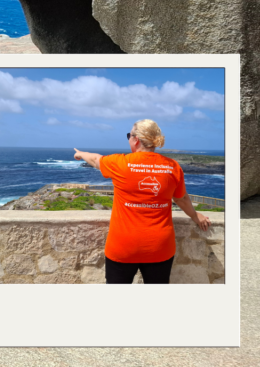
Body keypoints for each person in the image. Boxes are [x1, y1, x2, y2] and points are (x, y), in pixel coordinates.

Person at [74, 119, 211, 284]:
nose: (128, 139)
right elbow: (181, 198)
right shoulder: (172, 166)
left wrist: (81, 154)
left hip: (123, 247)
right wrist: (196, 217)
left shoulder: (120, 163)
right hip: (159, 247)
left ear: (136, 139)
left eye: (128, 136)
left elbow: (96, 159)